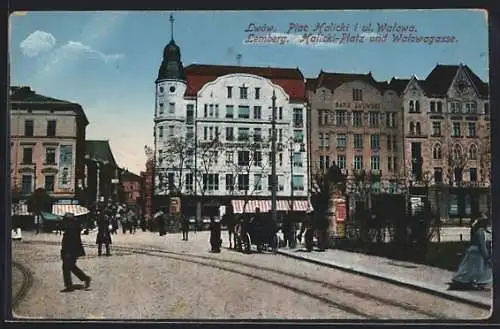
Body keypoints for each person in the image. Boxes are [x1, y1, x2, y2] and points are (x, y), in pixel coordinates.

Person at [450, 213, 492, 290]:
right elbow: (482, 245)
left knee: (469, 268)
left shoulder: (476, 230)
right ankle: (474, 282)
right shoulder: (480, 232)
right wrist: (486, 257)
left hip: (472, 251)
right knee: (478, 269)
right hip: (477, 253)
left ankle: (465, 280)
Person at [60, 213, 91, 292]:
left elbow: (71, 242)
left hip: (70, 251)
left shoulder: (71, 229)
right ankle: (85, 278)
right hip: (70, 251)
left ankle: (69, 286)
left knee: (66, 268)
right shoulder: (73, 227)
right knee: (71, 267)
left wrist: (68, 252)